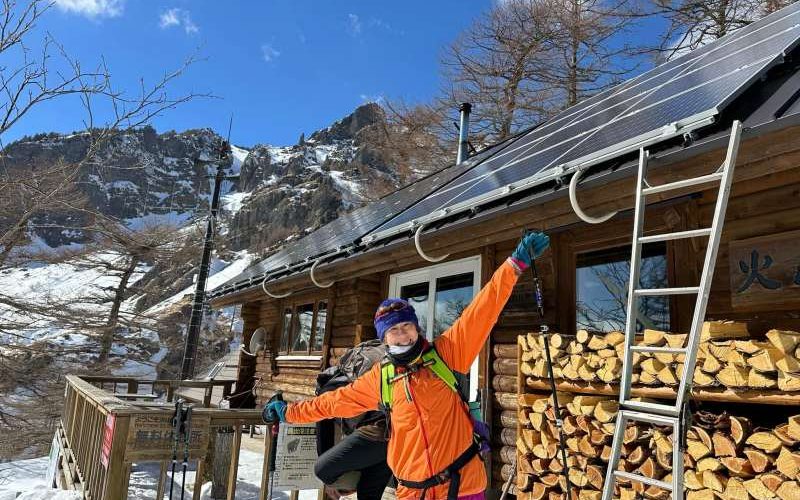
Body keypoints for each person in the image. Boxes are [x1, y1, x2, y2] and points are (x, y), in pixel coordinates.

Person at [264, 231, 549, 500]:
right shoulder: (381, 377)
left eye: (406, 325)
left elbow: (483, 310)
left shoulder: (447, 353)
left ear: (416, 327)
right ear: (383, 338)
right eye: (393, 330)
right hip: (413, 492)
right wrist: (288, 412)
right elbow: (332, 403)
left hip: (462, 485)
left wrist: (515, 264)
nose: (402, 334)